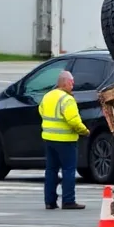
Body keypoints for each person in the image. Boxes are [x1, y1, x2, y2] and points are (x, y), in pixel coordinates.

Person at [38, 71, 89, 211]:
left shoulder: (48, 96)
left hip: (49, 139)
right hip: (66, 140)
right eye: (71, 82)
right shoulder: (67, 99)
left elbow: (41, 111)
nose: (73, 84)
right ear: (65, 82)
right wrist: (84, 131)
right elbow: (74, 121)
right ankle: (68, 201)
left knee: (51, 170)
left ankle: (50, 201)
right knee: (68, 170)